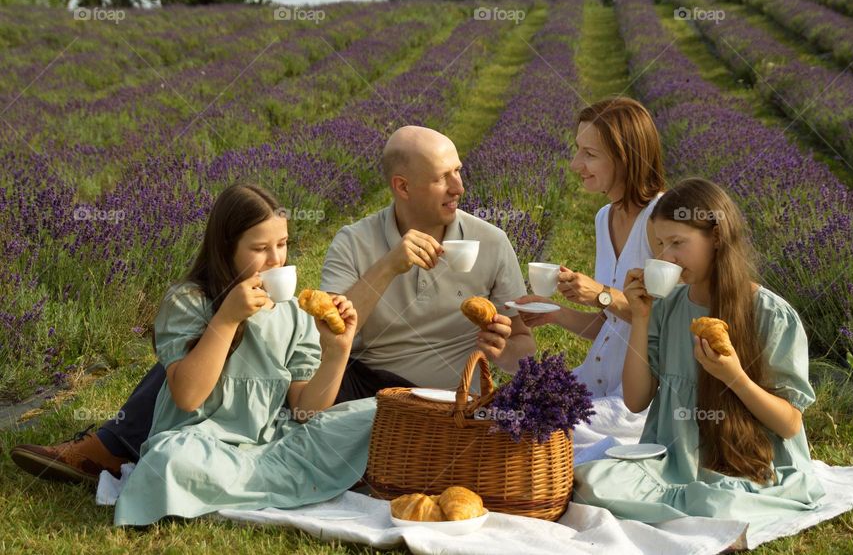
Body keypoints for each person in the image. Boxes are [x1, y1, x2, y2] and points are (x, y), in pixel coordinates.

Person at [11, 126, 535, 483]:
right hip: (362, 374)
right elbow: (331, 323)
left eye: (459, 172)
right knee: (224, 333)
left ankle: (116, 444)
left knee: (239, 343)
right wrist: (388, 267)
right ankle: (118, 444)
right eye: (445, 177)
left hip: (450, 389)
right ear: (402, 186)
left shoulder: (492, 243)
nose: (460, 186)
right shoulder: (356, 241)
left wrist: (502, 348)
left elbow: (522, 349)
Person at [573, 178, 825, 541]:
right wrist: (642, 317)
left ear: (717, 238)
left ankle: (709, 512)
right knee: (590, 482)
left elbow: (788, 424)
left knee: (716, 504)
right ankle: (702, 512)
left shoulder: (770, 314)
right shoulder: (668, 307)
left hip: (752, 464)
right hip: (676, 461)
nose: (666, 257)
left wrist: (735, 377)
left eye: (678, 243)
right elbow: (635, 399)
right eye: (659, 245)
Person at [111, 183, 375, 526]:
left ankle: (238, 488)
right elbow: (188, 397)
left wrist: (338, 351)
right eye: (260, 248)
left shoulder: (293, 313)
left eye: (282, 245)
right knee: (169, 461)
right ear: (227, 248)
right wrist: (227, 318)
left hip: (274, 446)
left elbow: (307, 410)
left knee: (377, 413)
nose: (276, 259)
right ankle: (285, 486)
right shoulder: (189, 302)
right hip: (201, 445)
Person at [517, 97, 666, 397]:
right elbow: (609, 327)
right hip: (597, 384)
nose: (575, 164)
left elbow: (668, 327)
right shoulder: (605, 218)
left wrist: (601, 295)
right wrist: (554, 313)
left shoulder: (661, 220)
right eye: (578, 150)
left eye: (589, 154)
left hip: (639, 399)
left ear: (625, 157)